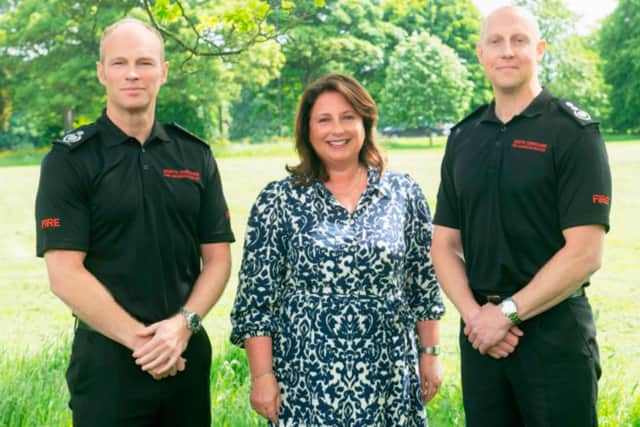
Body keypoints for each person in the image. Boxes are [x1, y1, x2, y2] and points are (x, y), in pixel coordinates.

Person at [35, 18, 235, 426]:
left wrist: (182, 326)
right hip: (108, 361)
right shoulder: (70, 160)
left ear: (163, 71)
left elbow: (218, 260)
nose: (132, 73)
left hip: (186, 356)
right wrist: (145, 343)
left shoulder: (194, 155)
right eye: (119, 62)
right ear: (101, 72)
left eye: (144, 62)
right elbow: (64, 275)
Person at [431, 6, 612, 427]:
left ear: (540, 50)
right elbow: (443, 245)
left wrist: (505, 314)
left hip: (555, 338)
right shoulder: (463, 137)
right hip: (482, 342)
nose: (507, 51)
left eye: (519, 40)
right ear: (480, 53)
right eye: (496, 41)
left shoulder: (573, 132)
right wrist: (478, 318)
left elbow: (585, 252)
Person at [230, 73, 445, 426]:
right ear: (307, 129)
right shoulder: (278, 199)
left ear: (365, 122)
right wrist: (262, 377)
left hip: (389, 370)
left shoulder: (403, 193)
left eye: (348, 117)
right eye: (324, 120)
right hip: (305, 377)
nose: (337, 130)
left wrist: (431, 355)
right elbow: (256, 299)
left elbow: (423, 282)